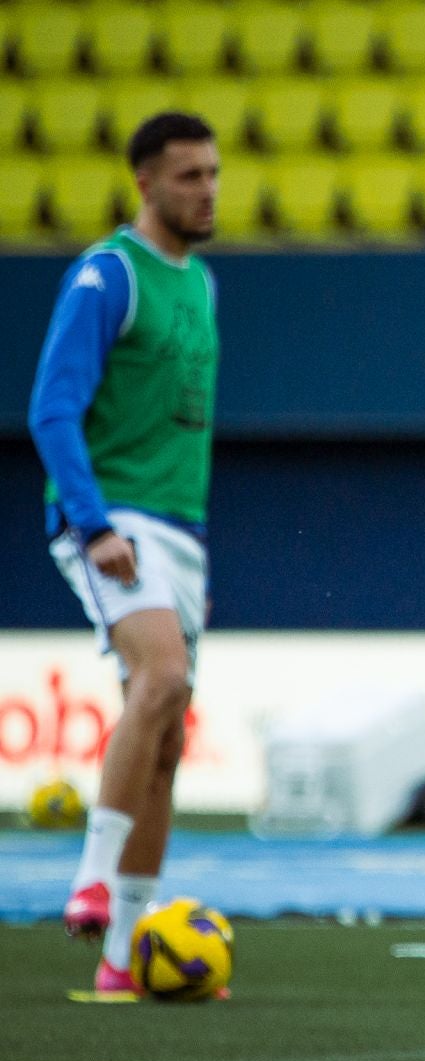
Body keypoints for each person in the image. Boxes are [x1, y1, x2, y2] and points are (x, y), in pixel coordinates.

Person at [28, 113, 222, 998]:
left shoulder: (203, 285)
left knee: (167, 743)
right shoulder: (109, 275)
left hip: (179, 531)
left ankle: (124, 958)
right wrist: (93, 521)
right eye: (187, 176)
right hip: (115, 519)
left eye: (213, 173)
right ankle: (93, 880)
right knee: (163, 680)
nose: (206, 189)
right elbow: (51, 409)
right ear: (145, 183)